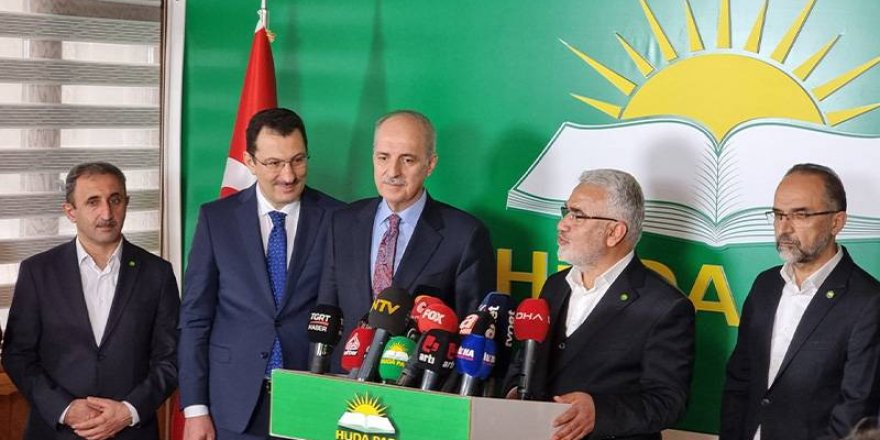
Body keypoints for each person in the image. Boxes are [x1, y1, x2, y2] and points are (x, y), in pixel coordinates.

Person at [178, 108, 344, 440]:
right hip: (231, 404)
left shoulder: (339, 218)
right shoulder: (216, 219)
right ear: (250, 162)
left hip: (310, 398)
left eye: (298, 160)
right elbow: (195, 317)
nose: (288, 175)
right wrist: (195, 410)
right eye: (274, 163)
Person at [505, 168, 695, 440]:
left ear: (615, 232)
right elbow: (525, 360)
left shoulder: (665, 306)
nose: (562, 224)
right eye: (566, 212)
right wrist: (514, 393)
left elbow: (668, 401)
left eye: (578, 215)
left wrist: (600, 412)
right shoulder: (555, 286)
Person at [1, 162, 179, 440]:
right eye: (93, 202)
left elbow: (171, 357)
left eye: (115, 200)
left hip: (131, 431)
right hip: (56, 431)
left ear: (126, 203)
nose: (106, 213)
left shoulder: (157, 273)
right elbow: (17, 354)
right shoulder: (38, 271)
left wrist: (128, 410)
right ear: (70, 211)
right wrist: (65, 409)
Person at [318, 110, 495, 362]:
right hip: (342, 378)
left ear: (430, 164)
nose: (393, 171)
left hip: (417, 381)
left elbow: (471, 337)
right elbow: (326, 314)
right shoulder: (342, 222)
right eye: (383, 157)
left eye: (408, 160)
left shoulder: (465, 236)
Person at [721, 163, 880, 440]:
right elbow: (740, 380)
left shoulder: (868, 301)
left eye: (801, 215)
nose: (785, 227)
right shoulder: (765, 285)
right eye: (778, 214)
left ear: (836, 222)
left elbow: (856, 409)